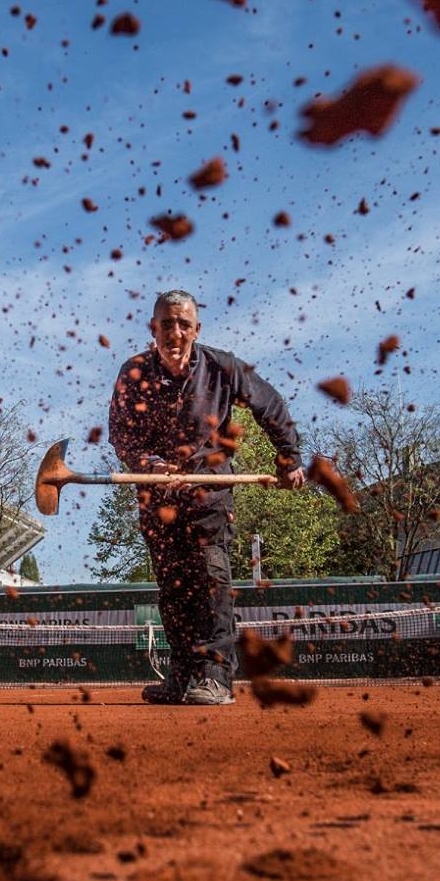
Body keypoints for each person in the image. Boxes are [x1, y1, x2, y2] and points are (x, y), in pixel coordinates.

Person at [107, 289, 305, 705]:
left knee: (211, 580)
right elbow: (122, 433)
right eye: (166, 323)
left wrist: (288, 458)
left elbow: (270, 405)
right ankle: (181, 676)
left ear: (197, 329)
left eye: (183, 324)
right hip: (156, 501)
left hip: (209, 495)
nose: (174, 332)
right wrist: (148, 462)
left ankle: (216, 677)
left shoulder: (223, 367)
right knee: (173, 588)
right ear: (153, 329)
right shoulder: (133, 373)